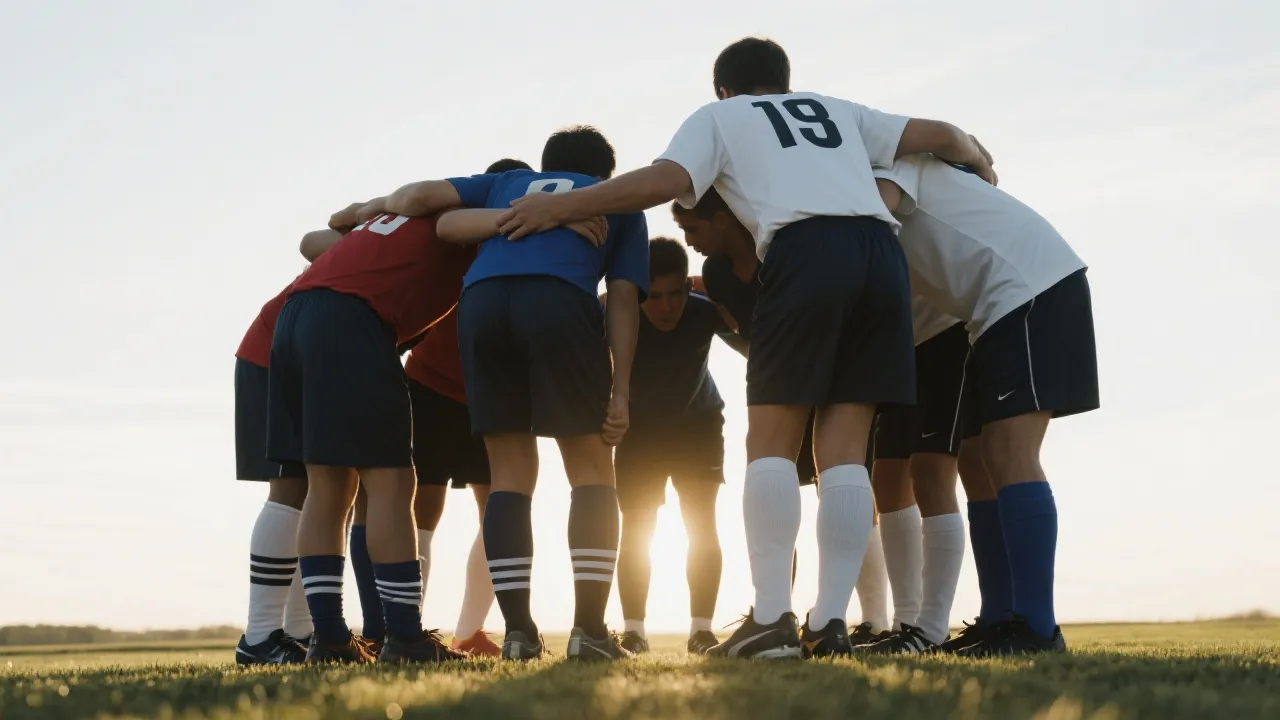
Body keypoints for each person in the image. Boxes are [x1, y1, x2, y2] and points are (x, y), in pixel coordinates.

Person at [496, 38, 992, 661]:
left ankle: (771, 621)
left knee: (772, 442)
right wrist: (977, 154)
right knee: (844, 449)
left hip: (804, 250)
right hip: (880, 257)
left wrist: (562, 205)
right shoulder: (835, 110)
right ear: (785, 83)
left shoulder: (720, 117)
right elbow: (943, 134)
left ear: (723, 90)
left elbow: (664, 182)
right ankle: (829, 624)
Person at [369, 126, 648, 661]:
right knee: (590, 467)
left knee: (510, 474)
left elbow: (428, 202)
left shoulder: (509, 183)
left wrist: (374, 205)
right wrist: (622, 390)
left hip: (482, 305)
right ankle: (589, 629)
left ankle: (518, 632)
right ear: (603, 178)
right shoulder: (619, 202)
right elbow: (623, 300)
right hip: (560, 301)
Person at [874, 153, 1097, 655]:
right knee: (977, 459)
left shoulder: (889, 168)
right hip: (992, 310)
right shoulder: (894, 169)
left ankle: (1037, 628)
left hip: (1027, 288)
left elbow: (873, 214)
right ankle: (1000, 618)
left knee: (1011, 453)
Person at [266, 199, 505, 664]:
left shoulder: (404, 219)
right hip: (353, 321)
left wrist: (363, 213)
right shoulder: (462, 225)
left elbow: (313, 241)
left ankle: (330, 639)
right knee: (393, 482)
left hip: (296, 317)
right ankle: (404, 637)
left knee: (329, 484)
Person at [674, 191, 894, 646]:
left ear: (722, 219)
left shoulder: (784, 249)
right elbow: (748, 335)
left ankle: (867, 618)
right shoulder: (717, 272)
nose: (688, 240)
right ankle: (776, 612)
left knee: (843, 478)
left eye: (692, 229)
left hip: (835, 365)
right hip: (782, 378)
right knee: (781, 492)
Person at [346, 158, 533, 659]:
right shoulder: (447, 232)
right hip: (428, 390)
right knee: (418, 509)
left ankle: (469, 630)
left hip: (490, 394)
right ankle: (400, 629)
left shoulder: (530, 239)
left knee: (499, 508)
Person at [610, 237, 743, 656]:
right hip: (638, 432)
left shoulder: (705, 312)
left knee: (701, 527)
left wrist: (724, 299)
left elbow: (757, 344)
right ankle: (634, 632)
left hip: (698, 428)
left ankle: (701, 631)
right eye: (655, 296)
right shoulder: (615, 312)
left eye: (675, 295)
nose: (666, 307)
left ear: (689, 288)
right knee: (636, 531)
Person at [854, 297, 969, 654]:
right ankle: (907, 622)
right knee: (886, 480)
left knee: (931, 473)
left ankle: (932, 629)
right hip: (899, 349)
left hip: (945, 329)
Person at [232, 281, 314, 665]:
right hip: (277, 355)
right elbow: (318, 240)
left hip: (312, 357)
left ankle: (301, 632)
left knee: (329, 492)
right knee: (292, 486)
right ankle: (259, 638)